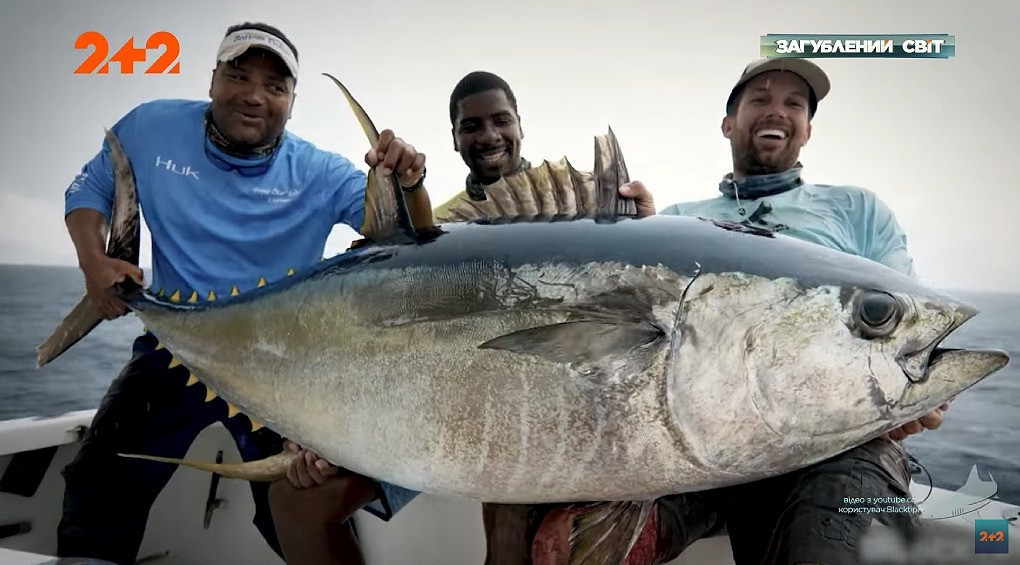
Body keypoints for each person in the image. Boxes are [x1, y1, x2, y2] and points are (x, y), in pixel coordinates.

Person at [56, 21, 431, 565]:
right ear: (212, 79)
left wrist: (409, 181)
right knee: (102, 479)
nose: (255, 95)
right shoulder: (151, 127)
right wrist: (94, 263)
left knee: (299, 495)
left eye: (275, 86)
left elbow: (400, 239)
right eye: (239, 75)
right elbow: (89, 186)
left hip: (284, 364)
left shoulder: (319, 171)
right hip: (176, 348)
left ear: (292, 102)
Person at [265, 70, 659, 565]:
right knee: (295, 500)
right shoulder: (442, 230)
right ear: (454, 139)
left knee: (512, 483)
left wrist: (646, 226)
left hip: (561, 407)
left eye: (500, 120)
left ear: (521, 125)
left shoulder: (587, 199)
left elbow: (640, 299)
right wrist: (314, 422)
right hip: (445, 406)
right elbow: (390, 327)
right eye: (471, 126)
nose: (489, 135)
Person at [644, 57, 949, 565]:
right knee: (569, 542)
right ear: (728, 124)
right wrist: (629, 227)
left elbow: (909, 318)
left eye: (794, 104)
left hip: (842, 447)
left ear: (808, 130)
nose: (777, 111)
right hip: (701, 446)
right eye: (759, 100)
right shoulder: (678, 219)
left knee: (822, 542)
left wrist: (920, 385)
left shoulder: (856, 209)